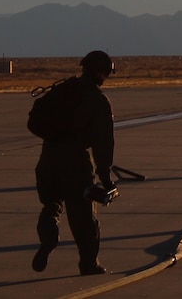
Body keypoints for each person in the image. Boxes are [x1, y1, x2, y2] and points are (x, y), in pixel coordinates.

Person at [30, 50, 118, 276]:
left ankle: (48, 240)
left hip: (48, 158)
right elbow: (103, 145)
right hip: (75, 162)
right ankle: (88, 264)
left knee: (51, 206)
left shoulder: (62, 90)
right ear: (100, 72)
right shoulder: (97, 101)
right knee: (83, 217)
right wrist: (106, 179)